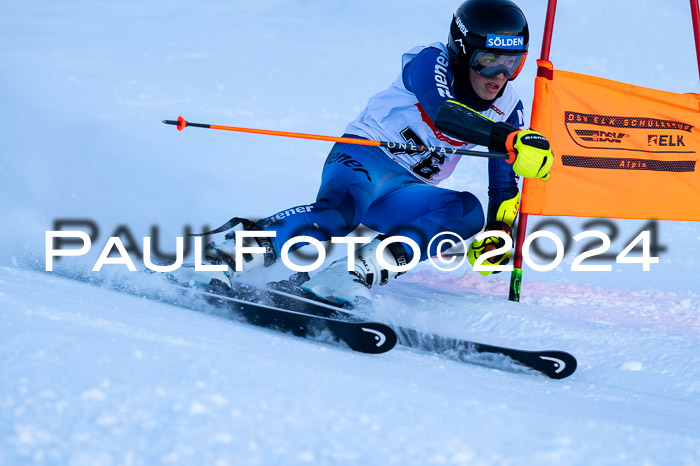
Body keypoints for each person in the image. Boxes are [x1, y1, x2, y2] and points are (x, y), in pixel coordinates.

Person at [169, 0, 553, 305]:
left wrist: (500, 231)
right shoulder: (431, 61)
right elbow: (444, 113)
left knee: (466, 211)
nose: (499, 76)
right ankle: (219, 256)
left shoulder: (509, 107)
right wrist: (505, 138)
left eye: (512, 63)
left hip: (407, 191)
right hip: (363, 160)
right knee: (340, 215)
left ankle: (347, 274)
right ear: (461, 50)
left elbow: (504, 184)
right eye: (487, 60)